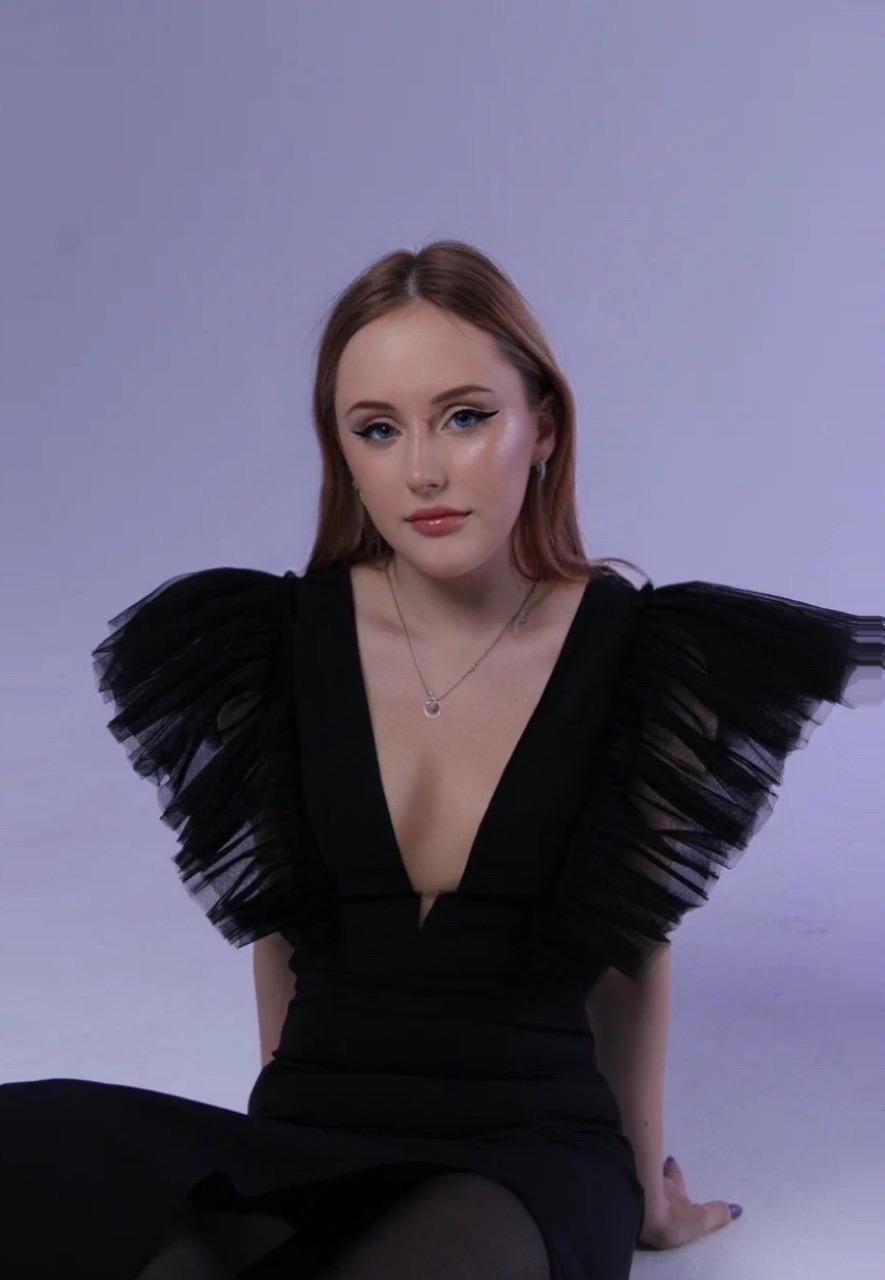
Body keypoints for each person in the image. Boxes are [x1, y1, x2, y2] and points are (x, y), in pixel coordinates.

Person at [2, 240, 883, 1280]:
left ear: (542, 426)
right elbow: (279, 930)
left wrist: (646, 1189)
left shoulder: (648, 655)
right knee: (38, 1145)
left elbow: (632, 952)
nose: (422, 469)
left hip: (527, 1153)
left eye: (464, 416)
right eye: (378, 429)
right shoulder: (266, 640)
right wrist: (264, 1164)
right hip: (314, 1125)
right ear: (343, 452)